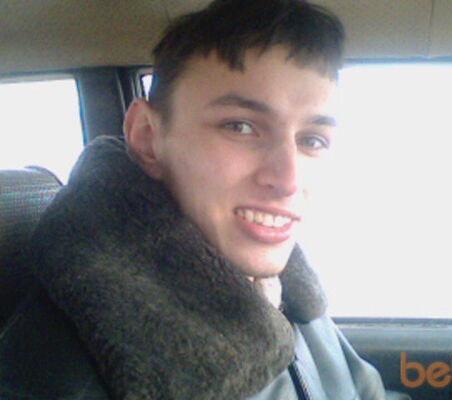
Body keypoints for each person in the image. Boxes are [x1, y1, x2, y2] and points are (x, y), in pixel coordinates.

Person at [0, 0, 409, 399]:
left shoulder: (286, 291)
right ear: (147, 136)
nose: (288, 180)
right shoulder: (56, 377)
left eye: (313, 140)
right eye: (240, 126)